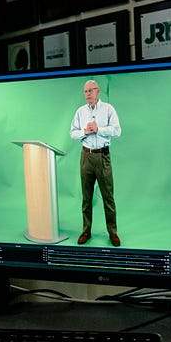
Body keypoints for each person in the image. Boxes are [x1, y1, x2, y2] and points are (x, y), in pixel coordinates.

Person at [69, 79, 122, 247]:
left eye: (91, 90)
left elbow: (117, 131)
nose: (88, 94)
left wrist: (99, 129)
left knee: (108, 197)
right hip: (86, 156)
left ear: (98, 91)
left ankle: (113, 232)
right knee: (86, 197)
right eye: (85, 91)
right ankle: (86, 231)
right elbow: (72, 133)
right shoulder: (80, 112)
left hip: (102, 156)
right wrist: (85, 131)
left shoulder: (108, 109)